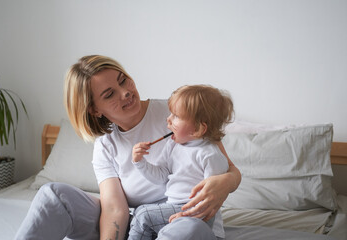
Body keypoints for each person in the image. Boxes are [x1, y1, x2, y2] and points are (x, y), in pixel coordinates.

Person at [14, 55, 241, 240]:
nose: (126, 92)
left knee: (186, 231)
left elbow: (230, 170)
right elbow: (114, 209)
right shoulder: (105, 145)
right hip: (135, 227)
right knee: (53, 195)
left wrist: (224, 183)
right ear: (94, 109)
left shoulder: (180, 114)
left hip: (184, 222)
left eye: (123, 80)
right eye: (109, 93)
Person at [128, 84, 233, 240]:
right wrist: (140, 162)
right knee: (139, 213)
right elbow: (160, 176)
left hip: (197, 216)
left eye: (176, 116)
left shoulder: (211, 155)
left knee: (143, 214)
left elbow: (211, 201)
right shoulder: (173, 145)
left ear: (198, 129)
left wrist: (188, 216)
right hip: (175, 209)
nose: (168, 119)